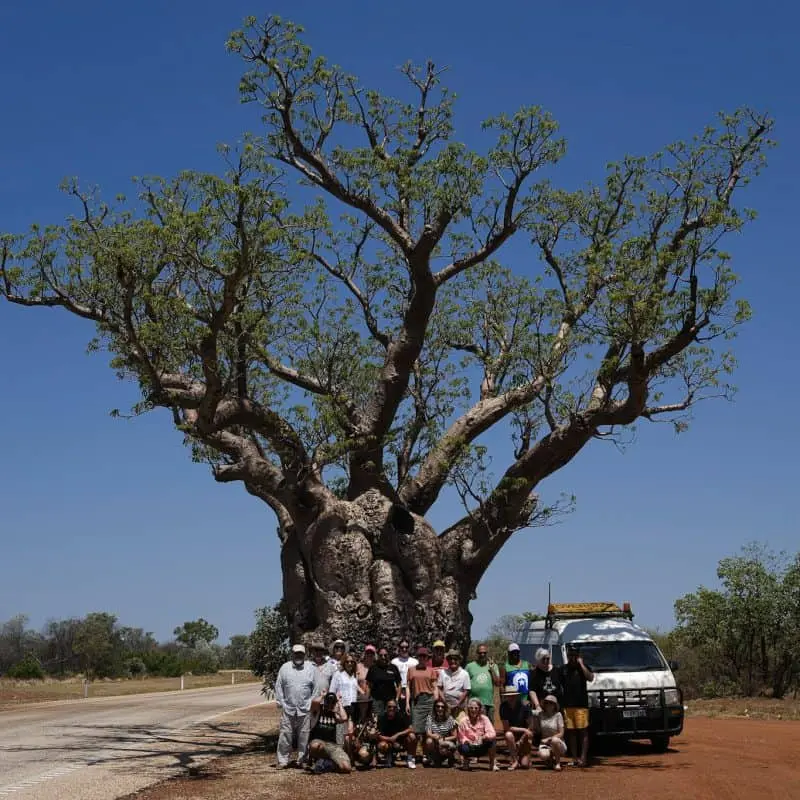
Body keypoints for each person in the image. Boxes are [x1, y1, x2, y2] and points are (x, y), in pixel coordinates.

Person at [274, 644, 320, 768]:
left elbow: (316, 688)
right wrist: (281, 702)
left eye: (301, 653)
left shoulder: (311, 668)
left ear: (304, 655)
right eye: (296, 653)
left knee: (304, 735)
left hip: (305, 708)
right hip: (288, 708)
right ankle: (283, 760)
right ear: (292, 654)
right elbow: (279, 686)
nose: (298, 655)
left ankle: (302, 760)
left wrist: (311, 703)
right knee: (285, 734)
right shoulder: (285, 668)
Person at [559, 644, 594, 767]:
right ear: (567, 656)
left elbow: (590, 678)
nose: (572, 658)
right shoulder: (563, 669)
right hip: (568, 705)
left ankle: (583, 757)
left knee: (583, 732)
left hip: (581, 705)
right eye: (570, 655)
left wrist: (582, 664)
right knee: (571, 732)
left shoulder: (583, 668)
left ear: (579, 656)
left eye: (575, 655)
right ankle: (574, 758)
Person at [307, 691, 352, 773]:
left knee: (346, 768)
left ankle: (328, 763)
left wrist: (339, 702)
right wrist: (322, 696)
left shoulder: (335, 714)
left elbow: (344, 718)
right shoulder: (318, 711)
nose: (330, 705)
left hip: (333, 746)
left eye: (332, 703)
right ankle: (318, 760)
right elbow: (314, 702)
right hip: (319, 742)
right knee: (315, 746)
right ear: (325, 702)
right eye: (328, 703)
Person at [456, 698, 499, 771]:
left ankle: (492, 764)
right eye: (471, 708)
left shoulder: (485, 719)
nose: (473, 710)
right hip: (469, 747)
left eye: (476, 708)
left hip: (481, 746)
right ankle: (466, 762)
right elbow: (461, 736)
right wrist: (467, 741)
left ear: (479, 709)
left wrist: (483, 737)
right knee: (462, 746)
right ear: (468, 709)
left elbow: (492, 733)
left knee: (492, 741)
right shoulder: (463, 721)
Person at [376, 699, 418, 768]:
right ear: (386, 707)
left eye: (394, 707)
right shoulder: (381, 718)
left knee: (412, 736)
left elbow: (411, 729)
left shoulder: (401, 715)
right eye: (389, 706)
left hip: (401, 741)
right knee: (381, 745)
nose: (392, 709)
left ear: (396, 708)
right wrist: (390, 739)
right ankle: (388, 756)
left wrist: (397, 735)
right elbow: (379, 735)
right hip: (388, 742)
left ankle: (410, 759)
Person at [330, 653, 360, 749]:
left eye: (352, 662)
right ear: (344, 663)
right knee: (340, 736)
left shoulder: (355, 676)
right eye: (347, 662)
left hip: (353, 708)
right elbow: (332, 693)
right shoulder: (338, 675)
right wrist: (335, 710)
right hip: (341, 708)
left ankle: (350, 758)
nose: (350, 664)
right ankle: (340, 758)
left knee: (350, 734)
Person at [408, 647, 437, 744]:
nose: (422, 658)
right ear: (418, 657)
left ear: (427, 658)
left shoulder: (431, 670)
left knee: (428, 727)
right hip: (416, 700)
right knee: (415, 728)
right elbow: (408, 687)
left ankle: (425, 754)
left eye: (424, 656)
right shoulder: (411, 670)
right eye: (420, 656)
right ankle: (415, 753)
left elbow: (434, 686)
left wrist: (435, 699)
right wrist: (407, 703)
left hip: (429, 700)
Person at [499, 686, 533, 770]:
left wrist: (521, 740)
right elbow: (507, 728)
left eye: (513, 695)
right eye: (509, 696)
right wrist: (523, 729)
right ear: (506, 696)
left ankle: (524, 756)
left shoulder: (525, 706)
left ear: (517, 696)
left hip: (524, 736)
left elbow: (531, 726)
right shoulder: (503, 706)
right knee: (508, 735)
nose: (511, 698)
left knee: (525, 765)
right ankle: (514, 760)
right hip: (513, 734)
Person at [465, 643, 500, 723]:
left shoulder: (493, 666)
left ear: (487, 653)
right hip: (474, 704)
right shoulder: (469, 666)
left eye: (484, 653)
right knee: (474, 725)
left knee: (489, 726)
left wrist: (492, 669)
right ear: (477, 654)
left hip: (488, 702)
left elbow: (497, 683)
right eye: (480, 653)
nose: (482, 654)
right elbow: (464, 683)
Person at [532, 694, 567, 771]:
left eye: (551, 703)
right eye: (547, 703)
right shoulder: (540, 714)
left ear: (555, 705)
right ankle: (550, 760)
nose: (548, 705)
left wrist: (549, 738)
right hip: (545, 743)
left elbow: (561, 733)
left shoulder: (558, 715)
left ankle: (558, 763)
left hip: (558, 742)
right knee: (543, 755)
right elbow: (529, 712)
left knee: (554, 740)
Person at [366, 647, 401, 717]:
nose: (383, 657)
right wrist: (367, 701)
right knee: (378, 722)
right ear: (378, 656)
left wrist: (397, 699)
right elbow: (368, 685)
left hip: (391, 701)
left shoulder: (393, 667)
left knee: (391, 722)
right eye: (381, 655)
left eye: (385, 655)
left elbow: (399, 684)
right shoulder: (373, 668)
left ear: (388, 655)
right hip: (376, 701)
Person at [424, 700, 458, 767]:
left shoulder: (450, 719)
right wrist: (434, 736)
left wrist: (443, 739)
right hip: (435, 741)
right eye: (438, 706)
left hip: (446, 741)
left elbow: (455, 736)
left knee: (444, 745)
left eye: (442, 707)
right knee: (429, 741)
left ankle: (448, 758)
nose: (440, 708)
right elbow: (428, 733)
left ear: (445, 708)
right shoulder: (430, 717)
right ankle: (434, 759)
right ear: (434, 708)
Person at [437, 650, 471, 717]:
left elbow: (466, 690)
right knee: (445, 726)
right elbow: (439, 688)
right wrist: (445, 703)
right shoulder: (443, 672)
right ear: (447, 660)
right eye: (450, 659)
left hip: (459, 707)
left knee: (461, 725)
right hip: (445, 706)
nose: (453, 661)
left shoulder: (464, 674)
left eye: (455, 659)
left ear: (459, 660)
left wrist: (457, 704)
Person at [391, 639, 418, 708]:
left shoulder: (415, 662)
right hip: (397, 692)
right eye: (402, 647)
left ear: (409, 648)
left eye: (406, 647)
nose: (404, 649)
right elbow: (391, 678)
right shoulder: (394, 662)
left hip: (412, 692)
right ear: (399, 648)